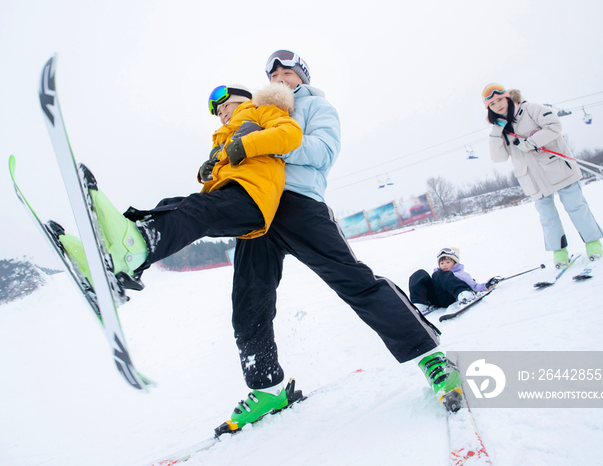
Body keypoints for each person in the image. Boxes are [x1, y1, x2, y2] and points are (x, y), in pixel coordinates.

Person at [221, 50, 458, 432]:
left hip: (302, 207)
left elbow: (322, 153)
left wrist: (270, 141)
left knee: (356, 283)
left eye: (288, 72)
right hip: (260, 212)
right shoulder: (259, 112)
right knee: (248, 301)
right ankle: (267, 390)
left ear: (302, 76)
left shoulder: (317, 108)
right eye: (274, 75)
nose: (281, 78)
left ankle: (432, 358)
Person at [58, 83, 302, 290]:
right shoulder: (224, 136)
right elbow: (227, 166)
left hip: (253, 198)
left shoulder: (261, 111)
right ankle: (112, 256)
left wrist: (243, 146)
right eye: (217, 113)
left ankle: (130, 252)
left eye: (225, 106)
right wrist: (209, 168)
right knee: (171, 206)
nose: (222, 114)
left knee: (196, 210)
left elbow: (291, 134)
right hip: (234, 194)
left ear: (242, 100)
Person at [483, 83, 603, 268]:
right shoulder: (500, 129)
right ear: (489, 108)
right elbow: (498, 158)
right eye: (492, 104)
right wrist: (495, 132)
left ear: (507, 97)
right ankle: (560, 253)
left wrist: (531, 142)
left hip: (558, 168)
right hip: (532, 180)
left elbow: (554, 126)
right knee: (548, 217)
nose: (498, 105)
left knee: (576, 207)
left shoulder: (531, 109)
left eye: (500, 99)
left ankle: (593, 243)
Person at [409, 247, 494, 313]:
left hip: (450, 297)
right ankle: (420, 305)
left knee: (440, 274)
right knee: (419, 274)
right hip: (437, 298)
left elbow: (474, 286)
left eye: (448, 262)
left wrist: (486, 286)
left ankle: (463, 294)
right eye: (442, 263)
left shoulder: (459, 274)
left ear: (455, 263)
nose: (444, 265)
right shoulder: (438, 275)